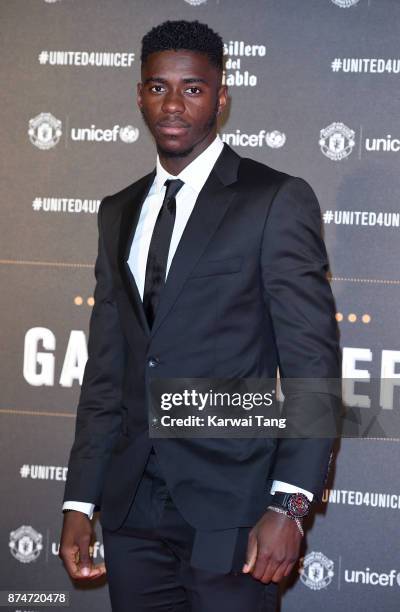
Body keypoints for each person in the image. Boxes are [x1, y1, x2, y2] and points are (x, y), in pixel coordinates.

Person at [59, 19, 341, 612]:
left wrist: (289, 505)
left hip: (235, 508)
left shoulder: (272, 199)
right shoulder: (118, 211)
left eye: (193, 88)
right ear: (139, 93)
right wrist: (80, 502)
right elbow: (107, 370)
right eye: (158, 87)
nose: (173, 104)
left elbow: (313, 363)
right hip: (132, 507)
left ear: (221, 95)